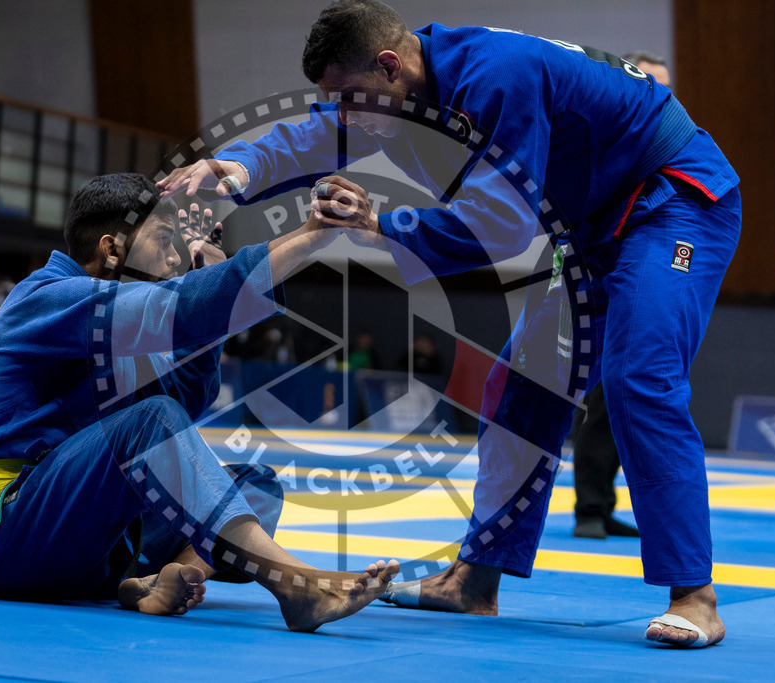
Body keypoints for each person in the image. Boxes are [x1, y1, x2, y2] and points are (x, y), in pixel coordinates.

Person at [160, 0, 740, 648]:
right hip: (588, 231)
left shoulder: (494, 76)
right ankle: (474, 580)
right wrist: (238, 169)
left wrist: (381, 223)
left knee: (639, 376)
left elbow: (501, 224)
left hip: (672, 199)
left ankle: (695, 594)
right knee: (519, 386)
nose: (345, 116)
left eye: (351, 97)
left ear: (388, 64)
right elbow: (312, 134)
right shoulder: (394, 94)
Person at [0, 172, 399, 632]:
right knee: (150, 422)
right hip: (5, 537)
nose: (174, 258)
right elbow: (171, 337)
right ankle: (295, 584)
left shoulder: (117, 318)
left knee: (252, 484)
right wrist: (307, 238)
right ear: (111, 249)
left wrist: (210, 303)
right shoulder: (47, 299)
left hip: (96, 544)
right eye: (163, 241)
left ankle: (153, 580)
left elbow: (184, 404)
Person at [570, 50, 673, 541]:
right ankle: (588, 505)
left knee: (628, 397)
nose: (660, 97)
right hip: (585, 277)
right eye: (650, 84)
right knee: (595, 397)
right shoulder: (598, 141)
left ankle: (602, 502)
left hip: (635, 276)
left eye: (666, 89)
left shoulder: (668, 148)